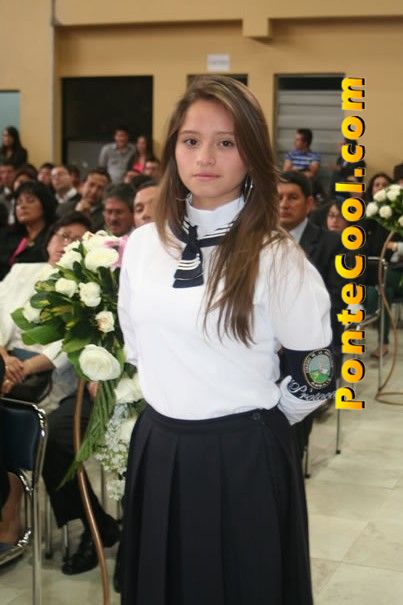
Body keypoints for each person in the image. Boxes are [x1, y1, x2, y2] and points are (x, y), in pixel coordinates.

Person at [118, 75, 335, 604]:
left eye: (226, 142)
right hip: (159, 445)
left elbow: (319, 367)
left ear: (251, 154)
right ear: (173, 149)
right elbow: (137, 345)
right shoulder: (143, 245)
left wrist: (261, 422)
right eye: (191, 140)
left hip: (243, 457)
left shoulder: (276, 255)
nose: (205, 157)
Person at [0, 180, 57, 280]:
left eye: (30, 200)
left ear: (45, 204)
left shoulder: (54, 237)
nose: (22, 206)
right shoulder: (8, 236)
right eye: (18, 203)